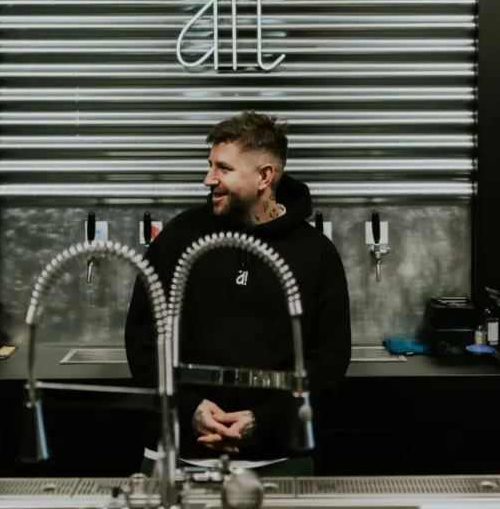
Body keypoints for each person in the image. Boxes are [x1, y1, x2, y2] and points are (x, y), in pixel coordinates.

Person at [125, 110, 351, 476]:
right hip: (176, 458)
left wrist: (262, 420)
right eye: (210, 165)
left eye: (224, 168)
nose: (208, 179)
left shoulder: (315, 253)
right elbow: (144, 340)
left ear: (264, 176)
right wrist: (189, 409)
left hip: (278, 459)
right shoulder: (179, 238)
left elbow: (327, 362)